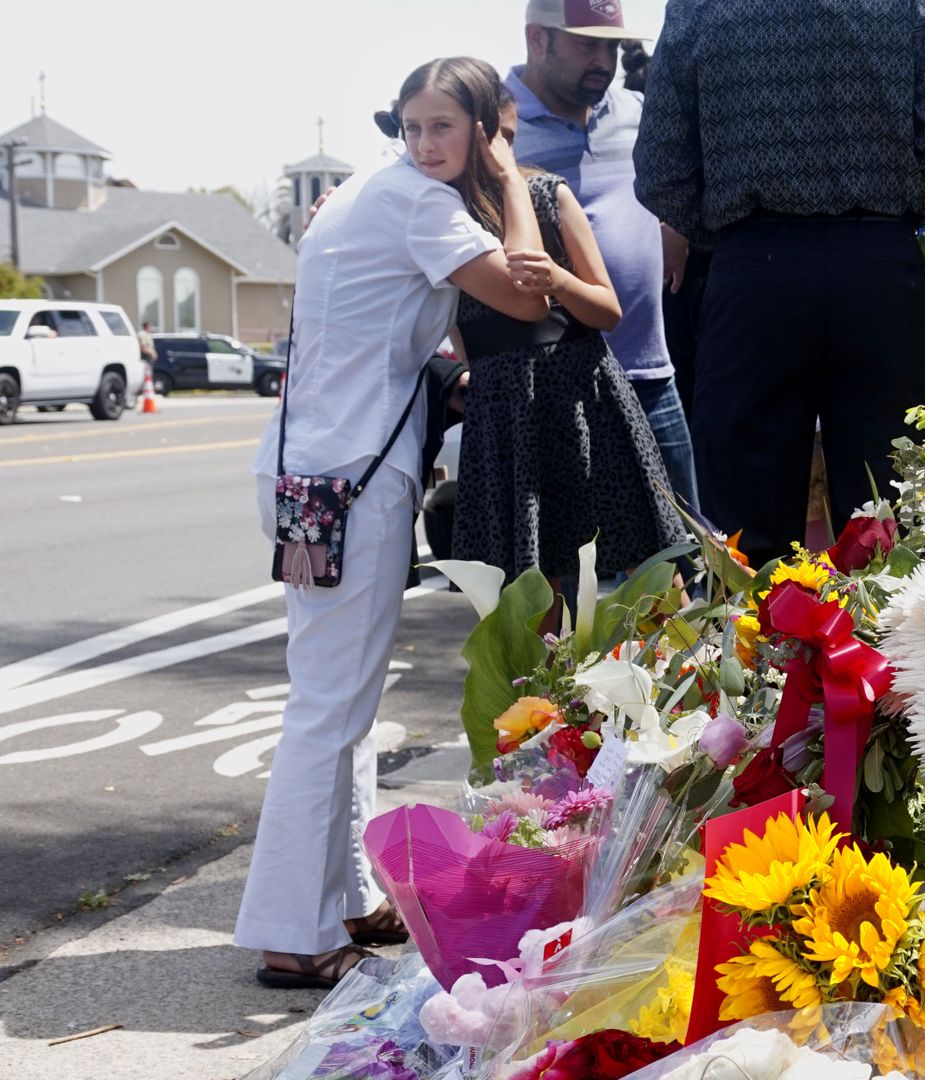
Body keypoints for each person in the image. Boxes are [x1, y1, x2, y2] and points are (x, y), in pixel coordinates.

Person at [238, 56, 548, 989]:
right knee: (328, 709)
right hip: (353, 480)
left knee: (337, 700)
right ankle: (291, 932)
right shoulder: (421, 201)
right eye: (412, 125)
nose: (422, 144)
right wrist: (507, 175)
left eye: (441, 127)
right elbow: (528, 300)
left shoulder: (357, 194)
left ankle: (338, 901)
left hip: (309, 473)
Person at [635, 0, 925, 568]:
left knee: (742, 537)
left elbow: (660, 168)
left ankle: (749, 654)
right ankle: (892, 652)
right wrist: (892, 222)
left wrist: (730, 232)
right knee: (895, 522)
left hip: (753, 271)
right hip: (878, 267)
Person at [450, 90, 685, 613]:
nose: (498, 152)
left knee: (654, 571)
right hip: (508, 419)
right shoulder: (440, 217)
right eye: (489, 138)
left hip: (586, 401)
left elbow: (607, 310)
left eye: (508, 137)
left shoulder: (546, 194)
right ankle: (550, 697)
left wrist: (558, 278)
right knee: (534, 594)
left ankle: (695, 686)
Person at [506, 0, 700, 515]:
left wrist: (677, 223)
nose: (604, 60)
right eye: (587, 44)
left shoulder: (635, 113)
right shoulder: (493, 126)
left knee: (692, 565)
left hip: (650, 378)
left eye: (612, 45)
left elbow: (684, 170)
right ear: (536, 39)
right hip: (553, 390)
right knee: (570, 579)